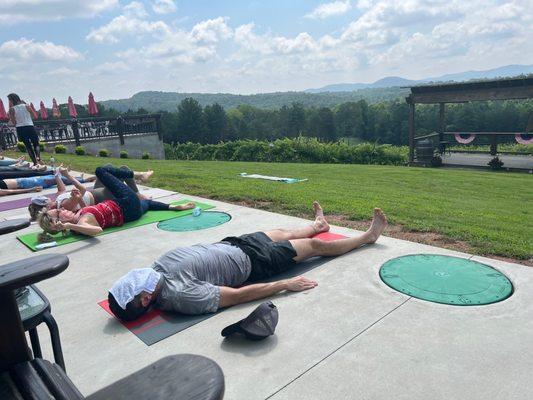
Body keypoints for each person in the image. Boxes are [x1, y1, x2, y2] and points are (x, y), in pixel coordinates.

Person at [107, 202, 388, 321]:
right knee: (314, 248)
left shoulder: (154, 274)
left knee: (286, 231)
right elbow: (236, 296)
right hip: (254, 263)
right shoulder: (179, 295)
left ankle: (319, 224)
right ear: (145, 300)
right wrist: (284, 284)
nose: (136, 275)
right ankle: (368, 237)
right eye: (135, 283)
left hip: (234, 243)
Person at [37, 165, 195, 237]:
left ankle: (173, 206)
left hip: (130, 215)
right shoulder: (79, 223)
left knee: (146, 205)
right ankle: (138, 175)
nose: (61, 209)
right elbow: (97, 230)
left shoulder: (78, 218)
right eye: (58, 213)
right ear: (58, 223)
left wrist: (79, 200)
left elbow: (88, 213)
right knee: (101, 170)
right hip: (124, 203)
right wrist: (68, 225)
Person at [28, 164, 153, 220]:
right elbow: (82, 191)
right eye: (45, 200)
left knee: (108, 165)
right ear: (46, 207)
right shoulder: (64, 206)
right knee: (123, 169)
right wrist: (68, 175)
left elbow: (61, 189)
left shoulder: (57, 200)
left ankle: (140, 184)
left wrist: (57, 173)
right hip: (102, 196)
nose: (47, 198)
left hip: (95, 190)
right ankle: (139, 190)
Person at [1, 169, 91, 198]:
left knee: (53, 179)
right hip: (23, 184)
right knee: (54, 180)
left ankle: (80, 179)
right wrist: (30, 190)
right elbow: (8, 191)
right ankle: (83, 180)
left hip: (21, 181)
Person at [7, 93, 41, 166]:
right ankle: (38, 157)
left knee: (28, 146)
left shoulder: (11, 109)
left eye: (9, 100)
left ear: (11, 100)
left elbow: (14, 122)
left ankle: (35, 163)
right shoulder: (27, 106)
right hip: (30, 126)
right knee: (36, 143)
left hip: (20, 128)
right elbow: (35, 116)